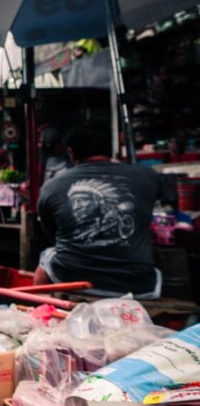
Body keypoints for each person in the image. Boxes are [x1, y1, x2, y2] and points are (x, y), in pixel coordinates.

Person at [35, 127, 162, 298]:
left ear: (71, 153)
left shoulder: (51, 186)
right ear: (112, 149)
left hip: (72, 279)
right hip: (140, 287)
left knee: (47, 255)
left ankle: (39, 311)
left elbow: (53, 235)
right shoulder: (148, 176)